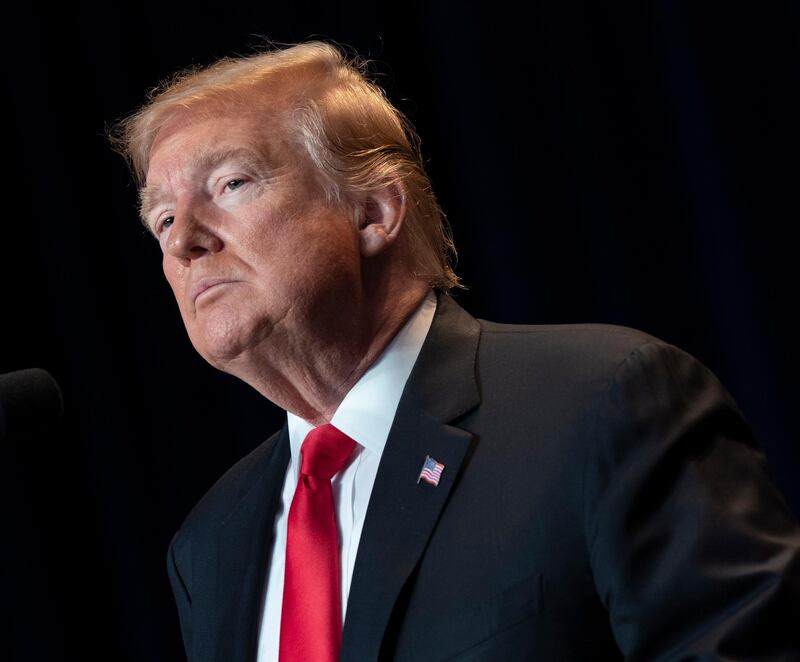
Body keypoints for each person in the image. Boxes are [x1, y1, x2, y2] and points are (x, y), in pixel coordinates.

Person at [114, 41, 800, 661]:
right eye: (163, 218)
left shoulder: (602, 406)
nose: (183, 242)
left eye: (231, 184)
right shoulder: (209, 546)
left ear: (375, 210)